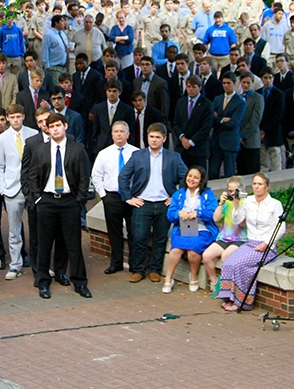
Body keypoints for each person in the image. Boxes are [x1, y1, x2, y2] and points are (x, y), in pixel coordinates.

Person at [27, 113, 92, 299]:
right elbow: (33, 175)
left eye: (58, 125)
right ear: (47, 129)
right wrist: (37, 198)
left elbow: (84, 176)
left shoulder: (77, 149)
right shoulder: (40, 150)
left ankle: (79, 282)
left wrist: (79, 200)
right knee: (44, 244)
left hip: (69, 201)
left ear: (65, 126)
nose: (55, 129)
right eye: (51, 126)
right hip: (46, 201)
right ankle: (43, 282)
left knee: (73, 244)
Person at [119, 122, 187, 284]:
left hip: (164, 204)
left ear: (164, 139)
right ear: (147, 137)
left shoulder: (174, 157)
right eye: (151, 137)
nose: (154, 140)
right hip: (142, 203)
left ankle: (155, 270)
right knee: (139, 238)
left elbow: (186, 177)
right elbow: (123, 176)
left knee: (160, 239)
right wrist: (128, 197)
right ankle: (139, 270)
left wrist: (176, 197)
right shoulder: (138, 156)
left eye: (157, 137)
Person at [218, 173, 284, 312]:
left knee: (240, 265)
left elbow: (281, 227)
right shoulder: (248, 201)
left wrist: (267, 243)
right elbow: (237, 220)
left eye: (260, 184)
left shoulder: (275, 204)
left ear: (267, 186)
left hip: (266, 246)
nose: (257, 187)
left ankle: (242, 302)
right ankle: (228, 297)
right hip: (250, 243)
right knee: (229, 262)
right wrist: (236, 204)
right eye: (254, 184)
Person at [0, 105, 38, 279]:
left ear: (23, 117)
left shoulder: (33, 134)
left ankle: (39, 264)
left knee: (37, 228)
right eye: (12, 117)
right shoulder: (2, 139)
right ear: (7, 118)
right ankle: (15, 265)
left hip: (32, 187)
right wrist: (2, 188)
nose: (15, 120)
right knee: (14, 229)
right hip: (12, 188)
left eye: (18, 117)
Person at [91, 121, 139, 275]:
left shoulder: (137, 153)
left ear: (128, 134)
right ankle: (116, 263)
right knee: (114, 232)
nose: (119, 134)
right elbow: (96, 176)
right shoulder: (104, 154)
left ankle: (134, 264)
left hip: (132, 198)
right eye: (116, 131)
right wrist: (103, 195)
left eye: (122, 131)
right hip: (111, 197)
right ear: (112, 134)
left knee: (134, 232)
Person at [162, 166, 218, 294]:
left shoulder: (208, 194)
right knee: (175, 250)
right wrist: (178, 214)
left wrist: (198, 213)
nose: (191, 179)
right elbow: (170, 215)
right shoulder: (179, 194)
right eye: (190, 176)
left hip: (203, 228)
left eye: (196, 177)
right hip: (183, 228)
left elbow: (213, 214)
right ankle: (168, 279)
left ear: (201, 180)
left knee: (193, 250)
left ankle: (193, 276)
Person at [202, 176, 247, 297]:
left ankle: (227, 286)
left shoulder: (246, 203)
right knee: (206, 256)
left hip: (240, 239)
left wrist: (237, 204)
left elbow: (242, 224)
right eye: (230, 191)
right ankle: (214, 283)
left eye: (234, 191)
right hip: (224, 237)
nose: (232, 194)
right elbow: (216, 218)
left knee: (225, 256)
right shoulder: (227, 203)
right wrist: (221, 203)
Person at [208, 73, 246, 179]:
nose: (225, 85)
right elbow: (211, 119)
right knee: (212, 172)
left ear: (234, 84)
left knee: (229, 174)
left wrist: (218, 119)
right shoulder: (217, 99)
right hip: (216, 141)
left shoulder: (240, 102)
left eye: (228, 83)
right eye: (224, 83)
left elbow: (233, 123)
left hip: (230, 142)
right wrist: (223, 119)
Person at [172, 75, 213, 170]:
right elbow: (176, 123)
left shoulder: (207, 104)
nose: (191, 89)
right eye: (189, 86)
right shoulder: (180, 102)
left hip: (198, 149)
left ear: (200, 88)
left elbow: (206, 127)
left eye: (194, 87)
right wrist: (182, 138)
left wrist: (191, 142)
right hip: (182, 148)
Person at [257, 68, 285, 172]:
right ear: (261, 78)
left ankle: (278, 180)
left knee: (275, 161)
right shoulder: (258, 93)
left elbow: (279, 116)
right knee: (263, 161)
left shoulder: (279, 94)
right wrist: (259, 130)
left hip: (273, 132)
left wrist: (265, 130)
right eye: (265, 78)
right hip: (260, 132)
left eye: (270, 78)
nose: (268, 80)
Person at [237, 73, 264, 175]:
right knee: (241, 171)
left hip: (251, 140)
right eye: (243, 82)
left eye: (248, 83)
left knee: (252, 171)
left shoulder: (258, 98)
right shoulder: (238, 97)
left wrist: (242, 135)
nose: (246, 85)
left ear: (252, 83)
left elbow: (255, 120)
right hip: (239, 142)